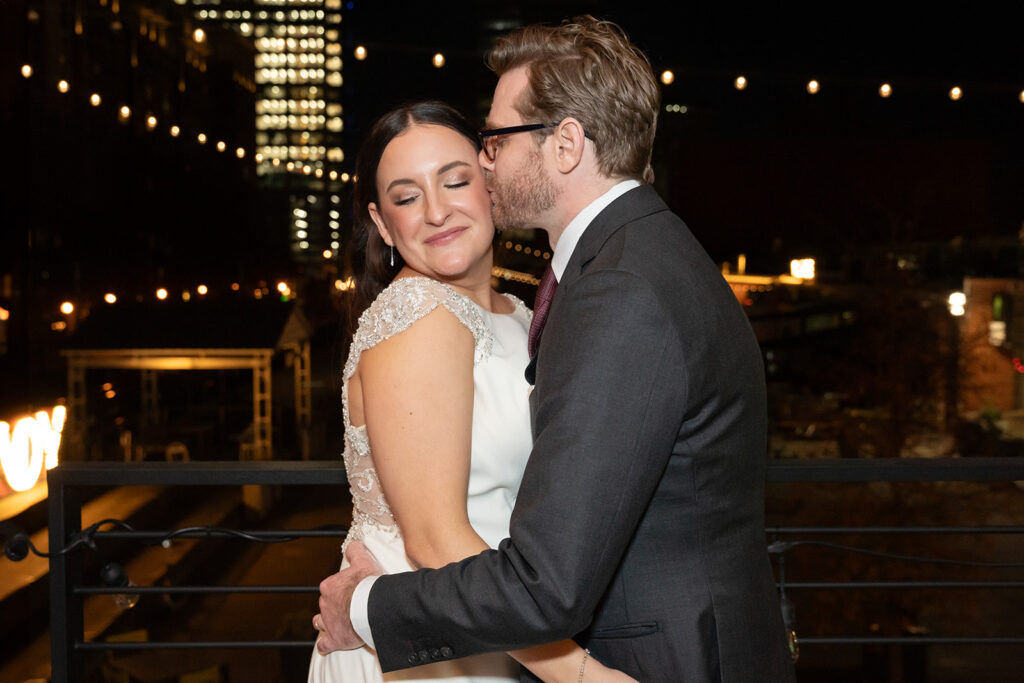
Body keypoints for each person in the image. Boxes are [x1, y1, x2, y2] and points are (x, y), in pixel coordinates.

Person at [314, 17, 797, 682]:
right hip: (476, 646)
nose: (485, 164)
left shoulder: (606, 291)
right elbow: (449, 536)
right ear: (380, 221)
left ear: (566, 144)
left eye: (490, 145)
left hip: (600, 642)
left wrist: (365, 605)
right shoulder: (642, 257)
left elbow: (551, 573)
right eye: (406, 195)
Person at [307, 100, 636, 682]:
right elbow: (434, 540)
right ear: (384, 225)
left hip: (495, 624)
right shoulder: (418, 312)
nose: (436, 211)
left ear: (490, 183)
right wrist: (584, 675)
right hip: (432, 649)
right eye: (407, 198)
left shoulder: (516, 309)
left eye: (455, 181)